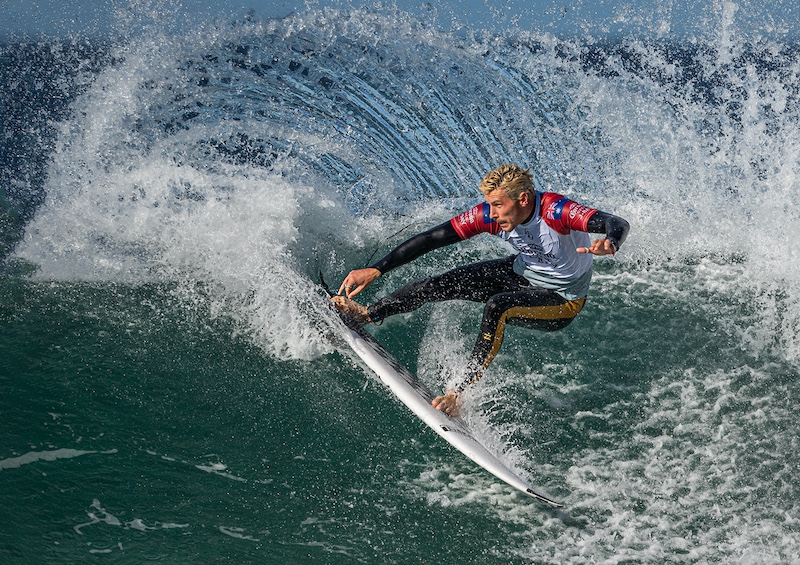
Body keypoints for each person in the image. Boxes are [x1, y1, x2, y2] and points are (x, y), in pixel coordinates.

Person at [332, 164, 629, 417]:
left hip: (561, 300)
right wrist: (377, 269)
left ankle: (459, 394)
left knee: (498, 306)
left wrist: (611, 242)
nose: (492, 213)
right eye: (489, 205)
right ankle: (369, 314)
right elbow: (431, 239)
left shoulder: (556, 211)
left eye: (498, 205)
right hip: (522, 273)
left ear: (523, 199)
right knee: (436, 285)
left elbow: (616, 223)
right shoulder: (490, 216)